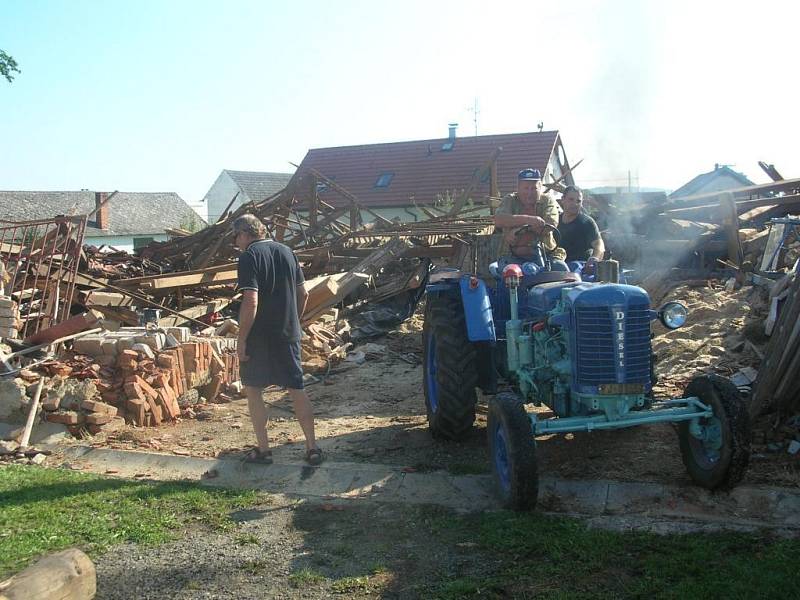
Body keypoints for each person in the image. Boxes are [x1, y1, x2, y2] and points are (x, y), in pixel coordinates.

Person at [233, 214, 322, 465]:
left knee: (254, 391)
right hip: (287, 334)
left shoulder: (248, 257)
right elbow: (303, 293)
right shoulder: (287, 251)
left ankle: (264, 450)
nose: (236, 242)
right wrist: (296, 321)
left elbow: (251, 300)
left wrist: (241, 339)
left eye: (236, 237)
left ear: (244, 234)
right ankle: (312, 447)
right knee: (297, 389)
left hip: (259, 337)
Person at [493, 168, 568, 270]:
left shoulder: (547, 200)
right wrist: (529, 220)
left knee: (562, 269)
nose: (529, 192)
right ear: (518, 188)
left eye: (533, 188)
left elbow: (550, 223)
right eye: (526, 188)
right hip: (512, 256)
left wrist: (518, 230)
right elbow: (499, 220)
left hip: (546, 255)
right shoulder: (509, 200)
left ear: (540, 187)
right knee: (509, 276)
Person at [557, 185, 605, 270]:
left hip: (580, 268)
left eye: (578, 201)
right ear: (562, 200)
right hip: (557, 265)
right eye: (571, 199)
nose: (575, 204)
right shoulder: (555, 221)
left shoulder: (587, 223)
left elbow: (599, 246)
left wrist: (595, 258)